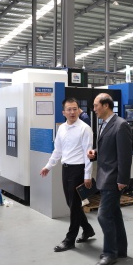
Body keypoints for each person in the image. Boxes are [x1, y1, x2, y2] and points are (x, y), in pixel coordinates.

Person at [40, 98, 95, 252]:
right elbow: (57, 150)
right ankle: (88, 229)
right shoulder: (62, 128)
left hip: (78, 170)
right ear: (63, 112)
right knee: (71, 204)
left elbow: (88, 154)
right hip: (66, 169)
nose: (72, 112)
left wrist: (87, 175)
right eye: (69, 109)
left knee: (74, 206)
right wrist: (48, 166)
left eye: (75, 109)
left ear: (79, 110)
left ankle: (70, 239)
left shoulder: (85, 129)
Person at [87, 93, 133, 265]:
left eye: (96, 105)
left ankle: (110, 253)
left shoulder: (121, 125)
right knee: (114, 214)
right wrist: (96, 153)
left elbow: (125, 155)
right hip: (105, 176)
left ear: (106, 105)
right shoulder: (104, 124)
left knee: (103, 215)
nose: (94, 109)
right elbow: (109, 148)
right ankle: (120, 249)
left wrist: (122, 179)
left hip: (113, 179)